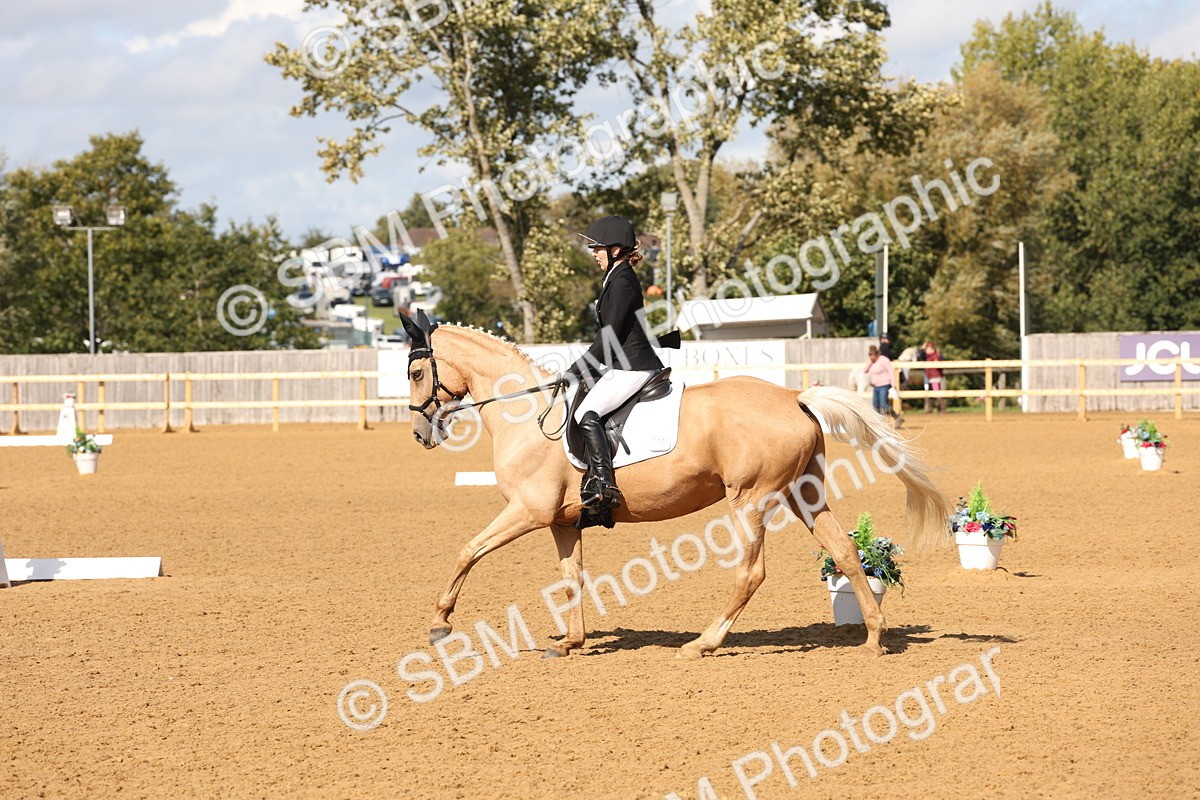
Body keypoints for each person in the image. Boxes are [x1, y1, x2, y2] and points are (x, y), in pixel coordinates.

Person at [565, 215, 664, 512]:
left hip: (633, 365)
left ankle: (604, 484)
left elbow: (609, 336)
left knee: (586, 413)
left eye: (597, 248)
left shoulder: (622, 281)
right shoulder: (615, 278)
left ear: (616, 249)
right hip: (622, 363)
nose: (593, 253)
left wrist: (577, 369)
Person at [865, 344, 902, 427]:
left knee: (883, 405)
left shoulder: (884, 360)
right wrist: (870, 362)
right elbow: (865, 370)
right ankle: (878, 424)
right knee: (875, 406)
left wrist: (893, 384)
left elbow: (890, 372)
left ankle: (896, 417)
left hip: (884, 385)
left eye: (872, 355)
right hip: (875, 386)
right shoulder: (872, 362)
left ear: (876, 354)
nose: (871, 357)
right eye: (870, 356)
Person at [922, 341, 947, 413]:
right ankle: (938, 408)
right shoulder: (928, 356)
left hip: (934, 377)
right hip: (930, 377)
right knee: (933, 392)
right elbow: (921, 355)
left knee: (936, 392)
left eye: (928, 349)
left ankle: (942, 408)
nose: (927, 350)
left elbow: (938, 364)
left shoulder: (935, 356)